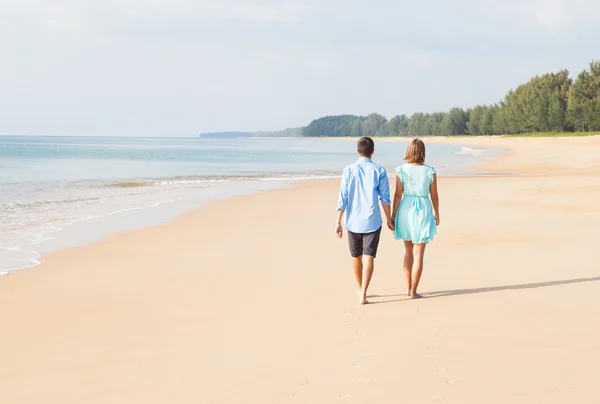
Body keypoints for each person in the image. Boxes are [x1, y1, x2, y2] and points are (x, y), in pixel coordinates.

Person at [336, 137, 394, 305]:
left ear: (357, 151)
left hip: (353, 221)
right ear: (373, 151)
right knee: (369, 256)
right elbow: (385, 198)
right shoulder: (379, 171)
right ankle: (363, 293)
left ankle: (360, 287)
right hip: (372, 221)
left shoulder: (348, 170)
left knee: (356, 256)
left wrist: (338, 221)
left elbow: (343, 198)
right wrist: (389, 219)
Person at [391, 139, 440, 299]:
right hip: (423, 208)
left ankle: (407, 288)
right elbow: (434, 195)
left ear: (409, 152)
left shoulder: (401, 170)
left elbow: (398, 195)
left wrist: (393, 215)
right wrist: (437, 212)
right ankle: (413, 291)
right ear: (423, 152)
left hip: (405, 209)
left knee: (408, 252)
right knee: (419, 254)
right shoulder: (430, 171)